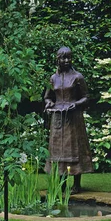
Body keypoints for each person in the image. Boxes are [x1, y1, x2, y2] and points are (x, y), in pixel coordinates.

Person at [43, 47, 93, 194]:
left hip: (73, 117)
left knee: (74, 148)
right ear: (57, 59)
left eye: (69, 58)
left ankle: (77, 184)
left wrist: (75, 104)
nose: (66, 61)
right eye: (63, 58)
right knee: (59, 151)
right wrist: (49, 103)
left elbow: (86, 97)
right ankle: (62, 184)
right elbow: (47, 97)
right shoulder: (53, 78)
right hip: (58, 117)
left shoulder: (78, 77)